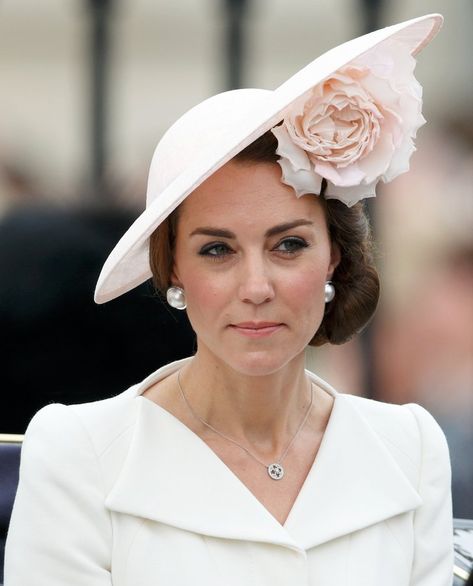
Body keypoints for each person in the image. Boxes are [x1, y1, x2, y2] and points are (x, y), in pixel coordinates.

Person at [4, 13, 453, 586]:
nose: (257, 287)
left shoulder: (408, 447)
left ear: (333, 258)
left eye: (289, 245)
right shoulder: (79, 453)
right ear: (174, 271)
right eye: (218, 251)